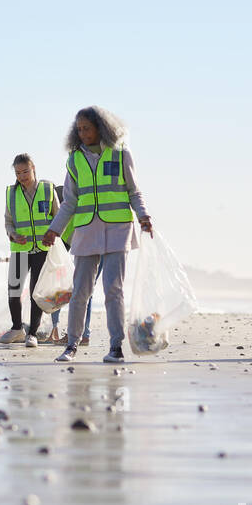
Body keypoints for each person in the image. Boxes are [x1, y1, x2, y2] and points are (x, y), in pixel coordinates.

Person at [43, 106, 152, 364]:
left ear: (101, 127)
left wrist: (143, 216)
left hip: (118, 229)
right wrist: (54, 230)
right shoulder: (74, 159)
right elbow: (69, 201)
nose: (82, 134)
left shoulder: (121, 154)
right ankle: (72, 345)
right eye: (79, 129)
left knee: (114, 290)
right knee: (80, 290)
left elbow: (134, 191)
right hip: (86, 231)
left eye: (87, 129)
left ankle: (116, 347)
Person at [0, 154, 59, 348]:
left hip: (42, 249)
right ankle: (17, 328)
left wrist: (55, 236)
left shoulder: (48, 189)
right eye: (17, 173)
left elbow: (58, 217)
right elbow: (8, 221)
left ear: (33, 169)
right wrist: (13, 234)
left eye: (25, 171)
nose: (22, 176)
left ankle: (32, 334)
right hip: (20, 249)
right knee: (13, 290)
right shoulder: (11, 193)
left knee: (36, 293)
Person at [52, 182, 94, 346]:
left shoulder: (70, 210)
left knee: (79, 288)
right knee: (85, 289)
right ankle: (82, 333)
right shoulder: (75, 197)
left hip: (85, 246)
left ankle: (80, 334)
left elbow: (64, 240)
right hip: (98, 240)